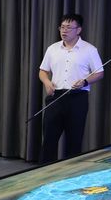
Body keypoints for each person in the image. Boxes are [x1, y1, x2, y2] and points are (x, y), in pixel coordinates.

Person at [38, 13, 104, 163]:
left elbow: (99, 73)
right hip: (55, 98)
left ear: (78, 30)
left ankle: (70, 172)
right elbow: (42, 71)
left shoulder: (89, 49)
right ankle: (45, 171)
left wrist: (85, 81)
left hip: (77, 98)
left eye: (69, 27)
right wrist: (47, 82)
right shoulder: (52, 49)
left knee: (74, 141)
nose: (64, 30)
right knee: (49, 139)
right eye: (62, 27)